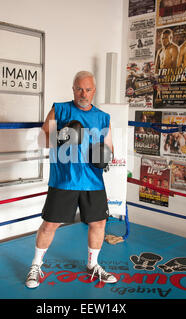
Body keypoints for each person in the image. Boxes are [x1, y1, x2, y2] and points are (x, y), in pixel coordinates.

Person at [25, 71, 117, 288]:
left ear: (94, 91)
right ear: (73, 89)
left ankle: (93, 264)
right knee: (50, 224)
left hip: (93, 181)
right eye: (79, 89)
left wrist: (105, 156)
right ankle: (36, 265)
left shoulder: (103, 117)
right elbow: (41, 137)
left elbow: (110, 147)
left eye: (87, 89)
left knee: (98, 222)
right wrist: (61, 138)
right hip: (64, 180)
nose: (83, 93)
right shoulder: (60, 109)